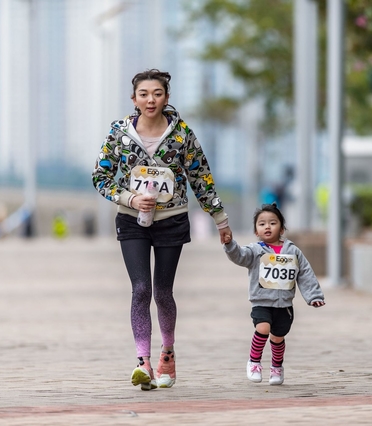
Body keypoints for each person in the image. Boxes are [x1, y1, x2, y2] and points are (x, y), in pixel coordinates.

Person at [92, 69, 232, 391]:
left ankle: (167, 352)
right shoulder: (119, 133)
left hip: (171, 219)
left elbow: (201, 179)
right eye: (144, 94)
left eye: (157, 93)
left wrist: (220, 220)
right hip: (131, 220)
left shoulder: (182, 135)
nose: (150, 99)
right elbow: (100, 176)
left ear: (166, 98)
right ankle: (142, 362)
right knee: (140, 289)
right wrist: (129, 197)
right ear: (134, 100)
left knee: (162, 292)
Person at [222, 203, 325, 385]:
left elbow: (305, 273)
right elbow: (239, 256)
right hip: (261, 302)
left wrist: (314, 296)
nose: (267, 226)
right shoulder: (255, 251)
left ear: (282, 228)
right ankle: (254, 361)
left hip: (284, 305)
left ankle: (277, 367)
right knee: (263, 328)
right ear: (256, 231)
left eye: (272, 223)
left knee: (278, 337)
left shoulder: (293, 251)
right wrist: (230, 244)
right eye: (262, 224)